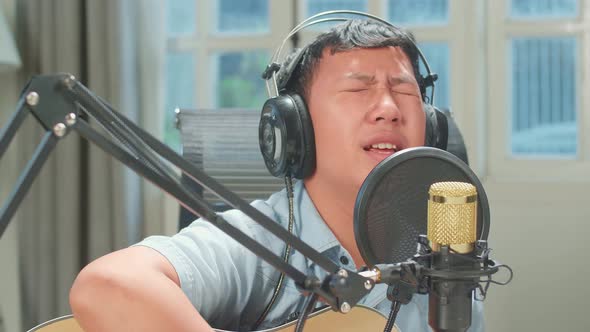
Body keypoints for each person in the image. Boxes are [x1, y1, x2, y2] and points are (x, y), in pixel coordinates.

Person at [69, 18, 484, 331]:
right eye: (358, 90)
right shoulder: (257, 241)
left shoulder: (449, 252)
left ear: (431, 128)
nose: (389, 108)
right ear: (295, 130)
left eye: (404, 91)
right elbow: (107, 285)